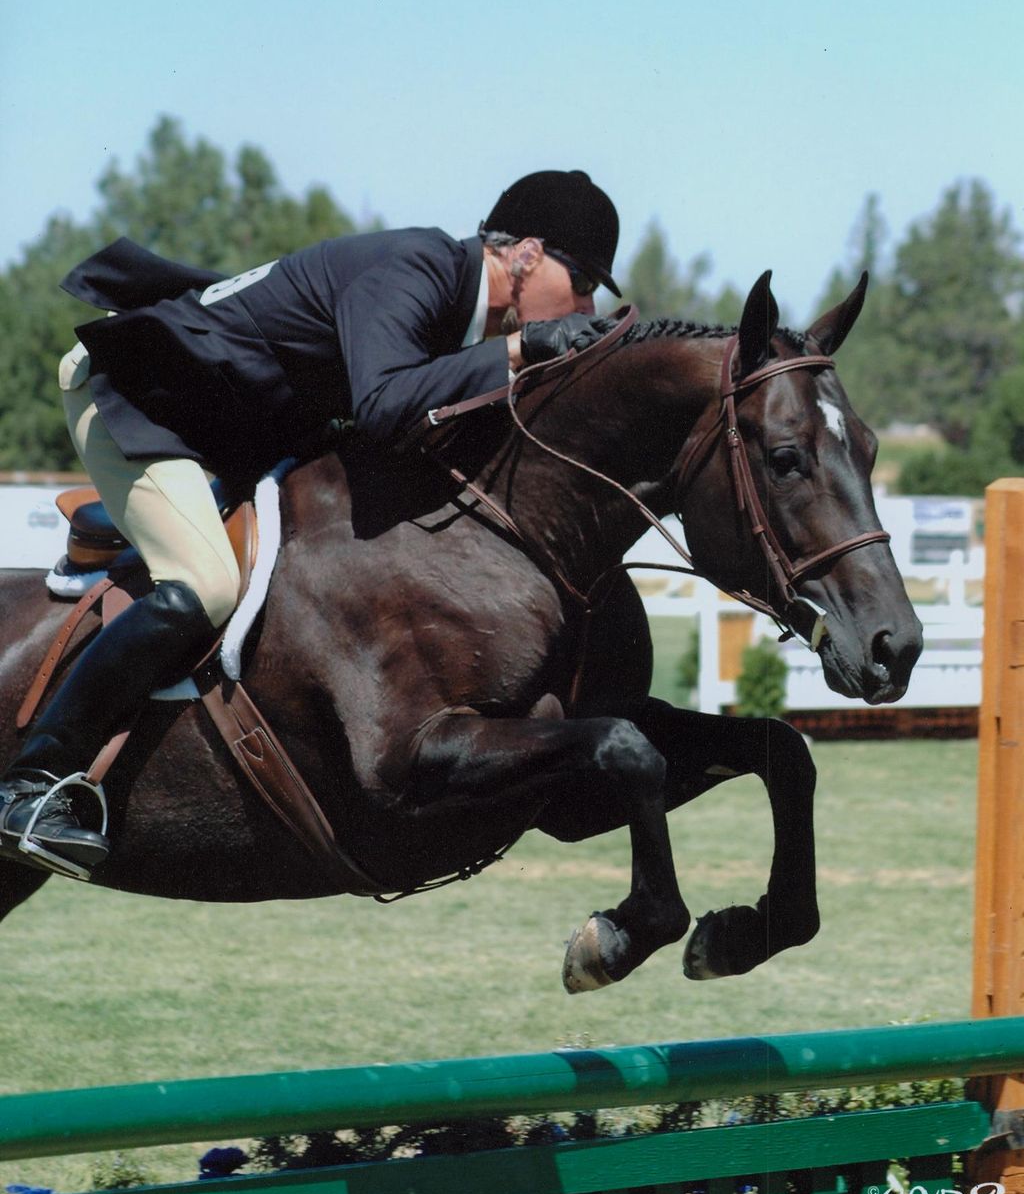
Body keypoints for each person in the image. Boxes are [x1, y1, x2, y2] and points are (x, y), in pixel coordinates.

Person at [0, 169, 621, 877]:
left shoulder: (453, 304)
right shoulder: (418, 265)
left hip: (217, 412)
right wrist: (514, 352)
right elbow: (386, 404)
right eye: (586, 281)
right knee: (204, 584)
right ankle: (32, 783)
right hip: (135, 395)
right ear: (528, 254)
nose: (587, 304)